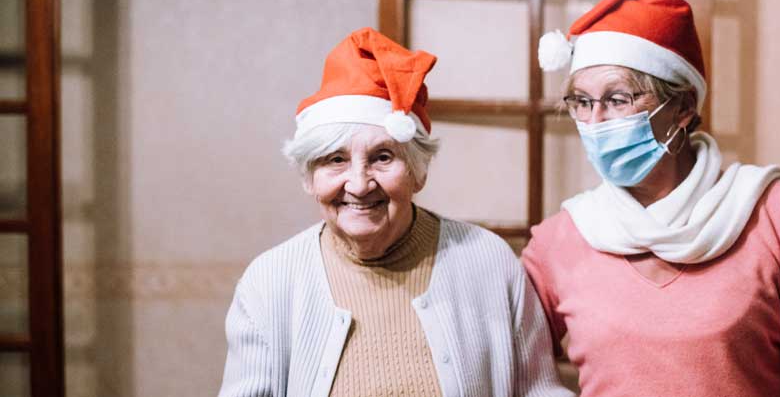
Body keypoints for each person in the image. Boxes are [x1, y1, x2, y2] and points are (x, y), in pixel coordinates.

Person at [523, 0, 780, 396]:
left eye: (618, 99)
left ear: (683, 106)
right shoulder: (560, 240)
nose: (595, 122)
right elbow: (506, 368)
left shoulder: (772, 212)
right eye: (582, 102)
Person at [219, 27, 573, 397]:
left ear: (418, 172)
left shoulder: (488, 261)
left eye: (383, 157)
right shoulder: (269, 283)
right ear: (310, 178)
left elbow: (539, 390)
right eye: (335, 160)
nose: (359, 184)